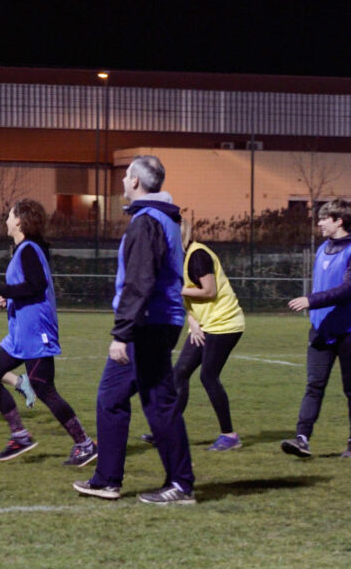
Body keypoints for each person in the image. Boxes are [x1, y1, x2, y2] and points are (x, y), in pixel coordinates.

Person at [73, 155, 196, 505]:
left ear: (136, 182)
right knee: (110, 398)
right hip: (152, 323)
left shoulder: (146, 222)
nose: (123, 183)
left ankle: (181, 484)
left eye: (126, 177)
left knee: (159, 404)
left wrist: (122, 334)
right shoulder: (161, 218)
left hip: (148, 326)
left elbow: (140, 283)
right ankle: (107, 480)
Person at [0, 199, 97, 465]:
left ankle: (85, 444)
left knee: (45, 390)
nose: (7, 218)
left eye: (10, 215)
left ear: (20, 220)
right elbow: (27, 289)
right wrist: (8, 300)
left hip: (36, 333)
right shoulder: (24, 250)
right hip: (20, 334)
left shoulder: (30, 249)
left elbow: (36, 285)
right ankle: (20, 436)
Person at [140, 219, 244, 451]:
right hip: (204, 324)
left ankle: (230, 435)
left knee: (208, 376)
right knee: (179, 374)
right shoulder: (179, 258)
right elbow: (187, 296)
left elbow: (209, 291)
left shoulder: (198, 255)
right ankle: (167, 430)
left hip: (224, 323)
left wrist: (173, 289)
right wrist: (193, 321)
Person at [282, 198, 351, 459]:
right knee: (314, 385)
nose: (320, 223)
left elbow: (347, 290)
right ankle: (302, 439)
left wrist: (312, 300)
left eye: (324, 218)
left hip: (348, 332)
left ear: (339, 221)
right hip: (320, 331)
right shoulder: (323, 248)